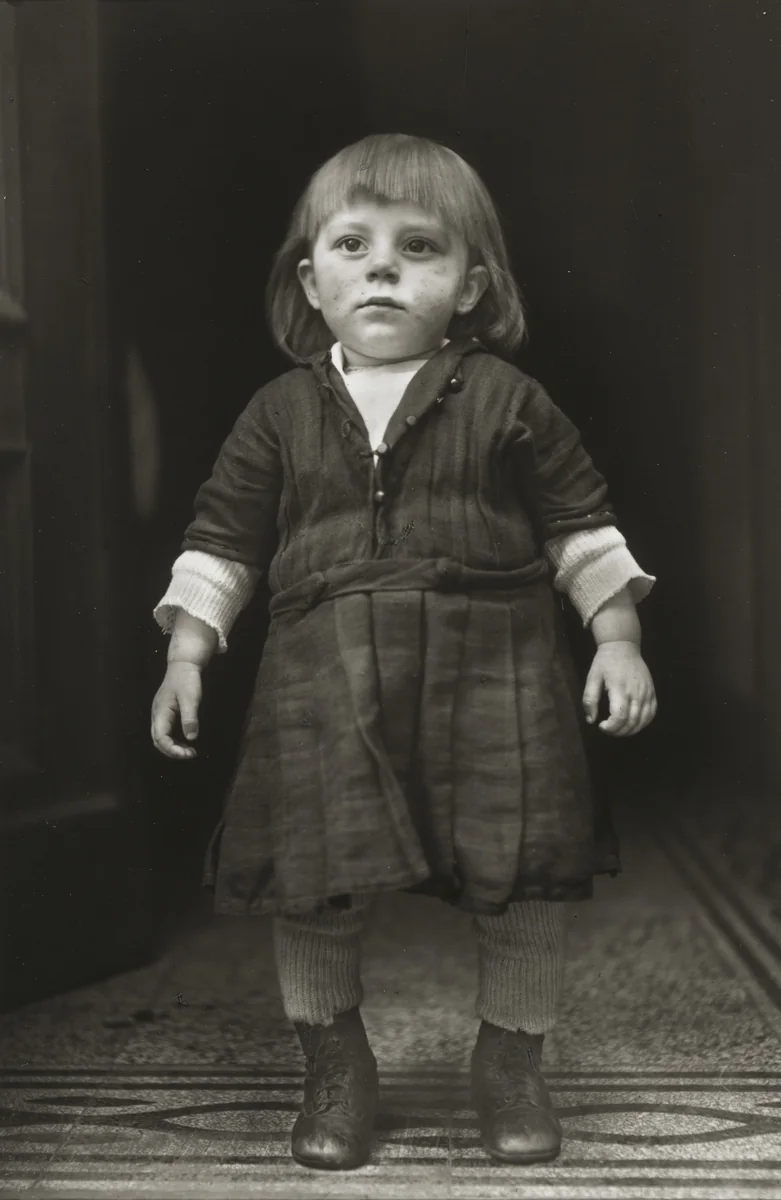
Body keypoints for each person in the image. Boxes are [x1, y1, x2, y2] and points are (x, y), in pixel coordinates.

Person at [151, 133, 657, 1172]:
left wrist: (616, 636)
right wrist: (188, 654)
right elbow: (223, 541)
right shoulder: (279, 414)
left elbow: (579, 526)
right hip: (322, 681)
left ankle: (511, 1062)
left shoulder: (510, 402)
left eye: (418, 245)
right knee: (315, 876)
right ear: (311, 279)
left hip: (495, 674)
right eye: (353, 243)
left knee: (518, 871)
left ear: (471, 285)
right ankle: (334, 1064)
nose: (381, 267)